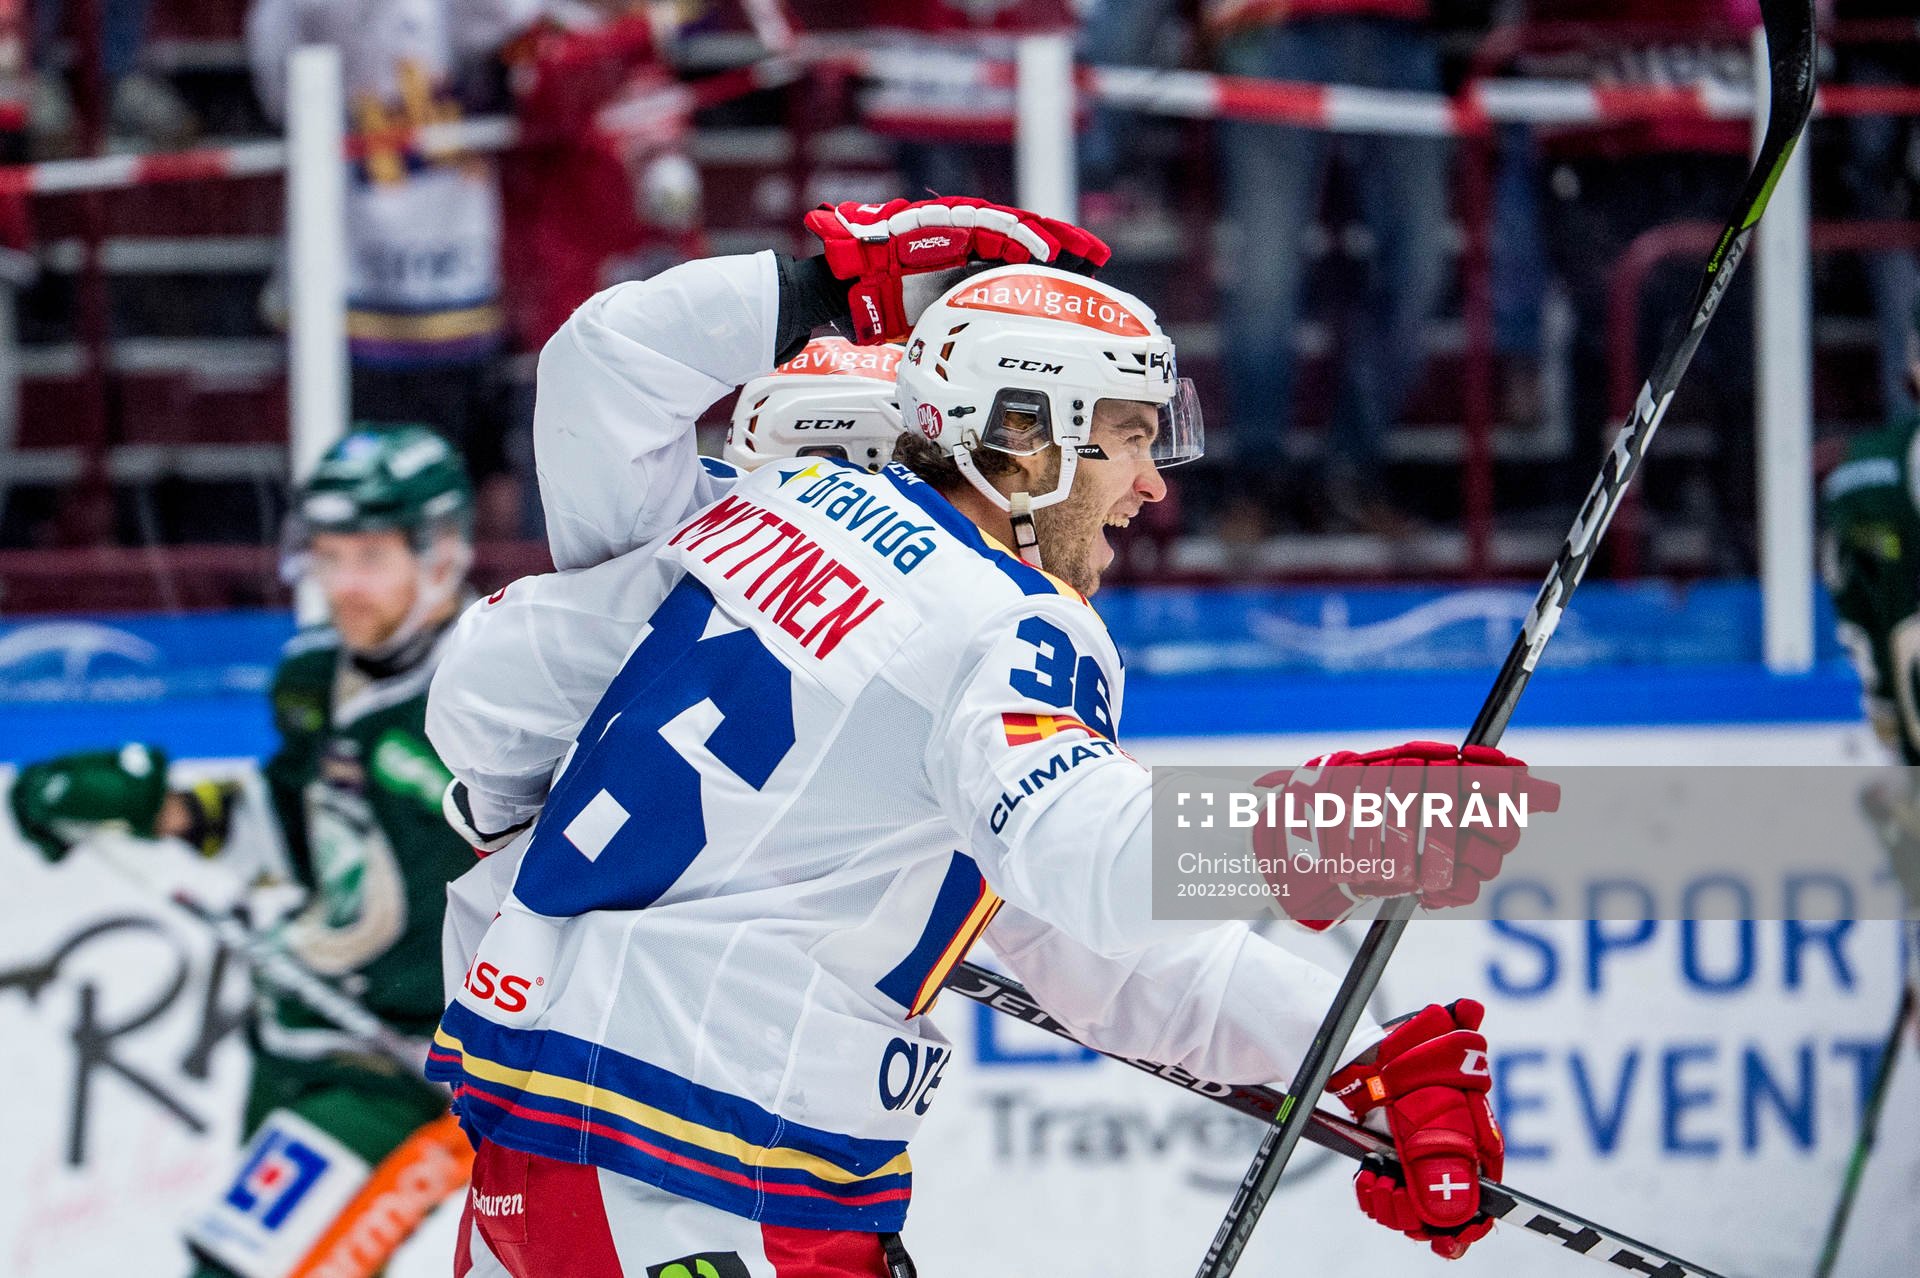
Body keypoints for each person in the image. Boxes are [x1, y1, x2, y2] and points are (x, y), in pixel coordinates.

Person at [424, 198, 1547, 1275]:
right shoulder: (1003, 623)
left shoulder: (764, 513)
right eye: (1128, 439)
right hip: (697, 1165)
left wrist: (1350, 1049)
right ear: (1025, 436)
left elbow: (599, 375)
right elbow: (1090, 860)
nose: (1155, 486)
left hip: (553, 1147)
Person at [177, 425, 483, 1278]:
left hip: (412, 1075)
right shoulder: (314, 676)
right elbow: (291, 838)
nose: (344, 585)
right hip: (302, 1035)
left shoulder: (498, 691)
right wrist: (158, 807)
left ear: (442, 551)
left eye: (371, 557)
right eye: (328, 555)